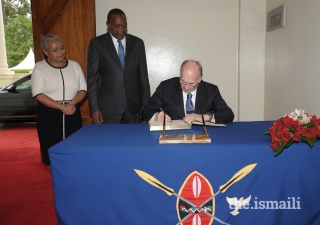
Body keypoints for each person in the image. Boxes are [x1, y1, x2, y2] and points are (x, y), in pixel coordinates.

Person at [86, 8, 150, 124]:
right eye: (116, 26)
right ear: (108, 25)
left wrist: (146, 106)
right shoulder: (97, 44)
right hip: (109, 108)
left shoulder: (137, 43)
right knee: (110, 141)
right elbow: (92, 80)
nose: (121, 29)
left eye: (124, 25)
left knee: (134, 140)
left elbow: (143, 78)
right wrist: (94, 109)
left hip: (133, 108)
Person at [31, 34, 87, 166]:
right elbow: (38, 94)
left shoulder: (74, 66)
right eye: (55, 50)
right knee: (52, 152)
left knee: (73, 150)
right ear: (45, 52)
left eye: (61, 48)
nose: (60, 52)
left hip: (72, 112)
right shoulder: (40, 67)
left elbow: (83, 89)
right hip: (49, 116)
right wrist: (62, 107)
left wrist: (71, 104)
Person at [141, 60, 234, 124]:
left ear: (199, 79)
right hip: (173, 136)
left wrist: (203, 117)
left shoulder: (211, 91)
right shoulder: (165, 87)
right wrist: (157, 116)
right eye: (183, 82)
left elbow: (228, 114)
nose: (186, 87)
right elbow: (146, 110)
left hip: (202, 137)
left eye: (191, 84)